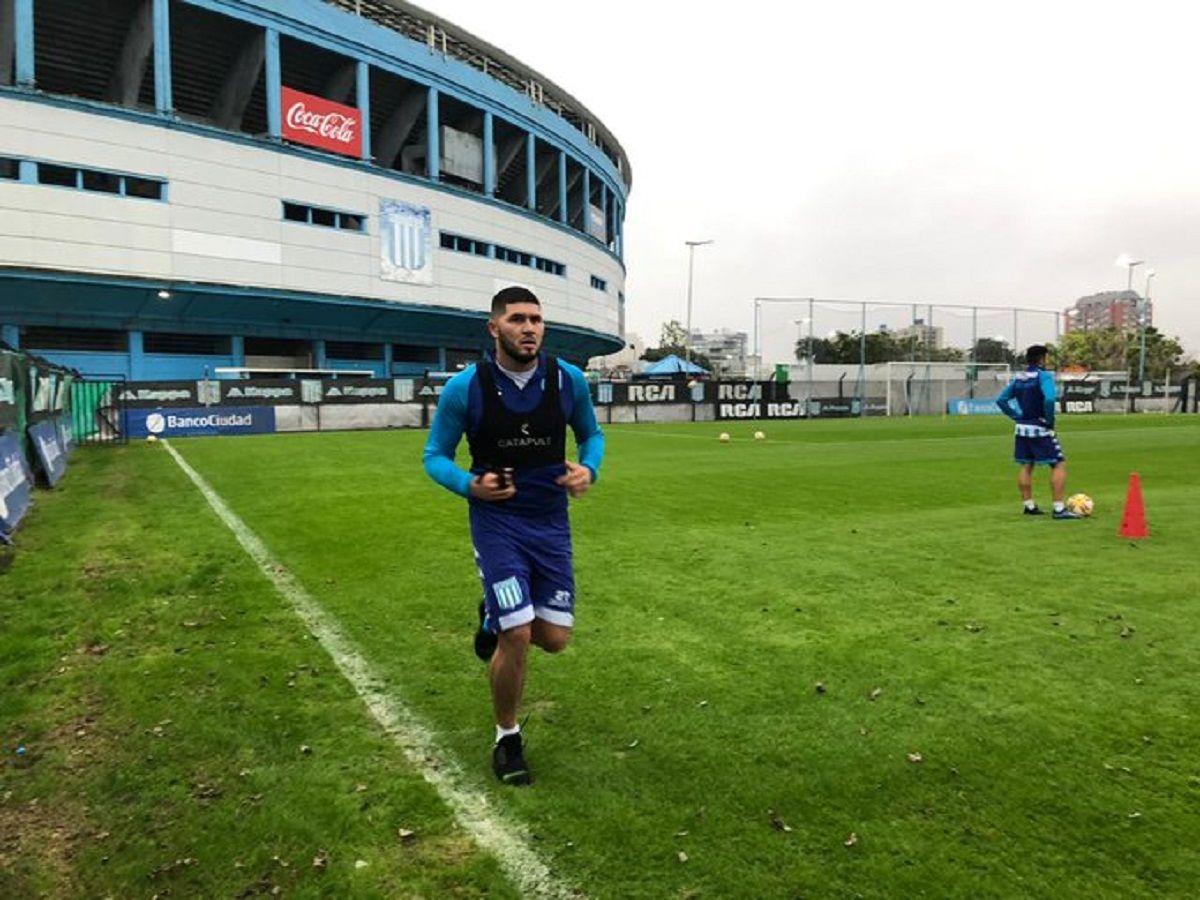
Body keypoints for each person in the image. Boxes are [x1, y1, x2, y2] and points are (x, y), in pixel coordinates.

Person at [422, 286, 605, 786]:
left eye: (537, 320)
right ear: (494, 327)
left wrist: (589, 469)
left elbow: (592, 435)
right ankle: (508, 738)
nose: (529, 328)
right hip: (497, 523)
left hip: (549, 523)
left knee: (555, 639)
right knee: (518, 633)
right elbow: (434, 455)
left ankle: (490, 615)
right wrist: (469, 484)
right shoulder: (466, 388)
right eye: (518, 319)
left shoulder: (568, 381)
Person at [995, 344, 1082, 519]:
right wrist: (1049, 420)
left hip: (1022, 428)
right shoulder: (1044, 377)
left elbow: (1001, 400)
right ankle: (1058, 509)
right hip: (1040, 428)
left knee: (1026, 464)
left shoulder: (1019, 378)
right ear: (1042, 359)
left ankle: (1029, 505)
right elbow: (1049, 399)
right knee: (1058, 464)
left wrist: (1016, 415)